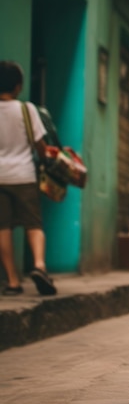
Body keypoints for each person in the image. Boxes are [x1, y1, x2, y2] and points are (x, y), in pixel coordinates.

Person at [0, 60, 57, 296]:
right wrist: (48, 156)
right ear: (17, 87)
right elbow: (40, 146)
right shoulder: (26, 109)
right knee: (34, 224)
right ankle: (39, 266)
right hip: (24, 175)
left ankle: (13, 281)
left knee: (3, 228)